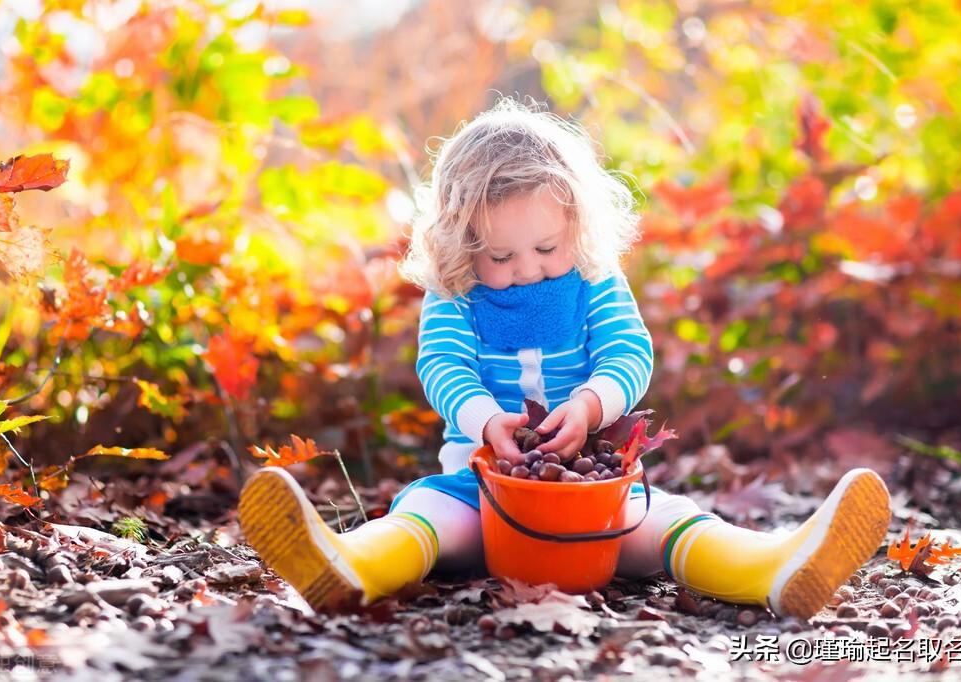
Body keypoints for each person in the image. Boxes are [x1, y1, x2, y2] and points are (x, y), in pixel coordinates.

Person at [238, 98, 891, 618]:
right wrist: (485, 420)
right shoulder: (456, 292)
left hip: (589, 494)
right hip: (483, 492)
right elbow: (441, 365)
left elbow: (628, 353)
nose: (526, 270)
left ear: (577, 226)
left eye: (546, 248)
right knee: (425, 517)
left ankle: (772, 567)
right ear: (462, 247)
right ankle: (344, 566)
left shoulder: (592, 278)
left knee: (656, 525)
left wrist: (588, 404)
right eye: (500, 257)